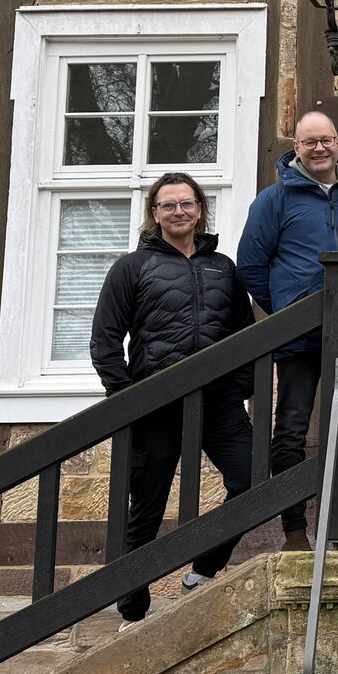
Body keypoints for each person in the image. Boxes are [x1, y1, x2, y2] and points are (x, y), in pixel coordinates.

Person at [90, 171, 257, 626]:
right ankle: (133, 609)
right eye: (169, 205)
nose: (179, 211)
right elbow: (105, 339)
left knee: (252, 479)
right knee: (147, 507)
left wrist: (240, 387)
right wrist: (126, 398)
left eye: (187, 203)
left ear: (200, 210)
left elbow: (245, 333)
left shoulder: (222, 268)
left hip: (219, 402)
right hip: (156, 404)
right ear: (155, 213)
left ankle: (204, 568)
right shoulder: (132, 267)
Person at [236, 111, 338, 552]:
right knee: (291, 430)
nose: (318, 149)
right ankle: (295, 531)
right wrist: (289, 309)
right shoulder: (274, 200)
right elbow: (251, 265)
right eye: (308, 142)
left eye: (325, 140)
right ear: (296, 148)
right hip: (299, 336)